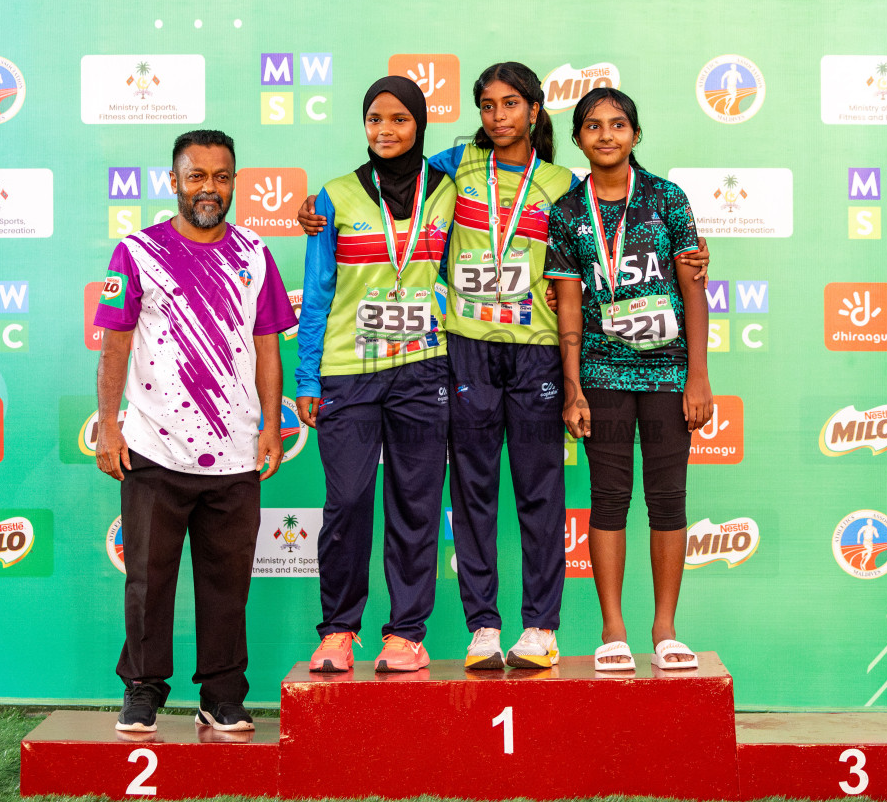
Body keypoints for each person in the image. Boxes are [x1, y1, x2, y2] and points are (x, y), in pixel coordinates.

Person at [297, 63, 710, 670]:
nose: (498, 116)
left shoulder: (565, 185)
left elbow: (598, 255)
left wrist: (693, 257)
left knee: (540, 491)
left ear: (535, 112)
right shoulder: (454, 166)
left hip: (538, 349)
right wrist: (319, 207)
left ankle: (540, 627)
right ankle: (483, 625)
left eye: (510, 105)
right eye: (487, 106)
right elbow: (392, 170)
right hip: (464, 346)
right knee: (473, 492)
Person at [93, 129, 297, 734]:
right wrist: (109, 425)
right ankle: (143, 692)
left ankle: (223, 695)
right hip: (154, 449)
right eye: (197, 175)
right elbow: (114, 344)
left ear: (234, 181)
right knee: (148, 582)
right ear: (174, 181)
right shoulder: (136, 252)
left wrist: (270, 423)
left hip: (235, 454)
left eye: (222, 176)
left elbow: (267, 346)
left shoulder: (256, 254)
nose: (210, 187)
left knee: (226, 586)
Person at [546, 88, 711, 673]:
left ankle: (664, 627)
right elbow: (567, 303)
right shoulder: (567, 211)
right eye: (593, 126)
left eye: (619, 125)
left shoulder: (667, 198)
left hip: (668, 375)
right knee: (609, 499)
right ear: (579, 138)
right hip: (600, 372)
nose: (607, 135)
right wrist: (573, 387)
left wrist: (698, 376)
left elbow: (694, 288)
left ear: (636, 135)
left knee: (668, 498)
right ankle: (612, 629)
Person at [298, 76, 457, 674]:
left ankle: (406, 634)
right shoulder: (333, 196)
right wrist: (307, 379)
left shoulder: (447, 189)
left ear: (419, 125)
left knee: (415, 502)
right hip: (348, 372)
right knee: (347, 500)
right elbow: (316, 293)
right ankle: (339, 629)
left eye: (398, 119)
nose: (384, 131)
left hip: (423, 368)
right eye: (373, 119)